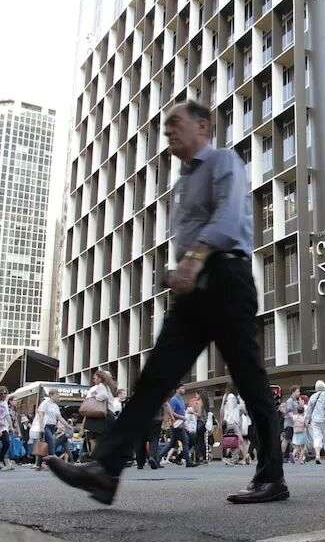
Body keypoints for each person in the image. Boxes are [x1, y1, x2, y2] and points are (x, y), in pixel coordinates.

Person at [45, 101, 287, 503]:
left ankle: (272, 477)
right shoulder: (182, 182)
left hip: (227, 278)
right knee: (154, 378)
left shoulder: (224, 161)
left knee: (251, 382)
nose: (168, 132)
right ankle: (106, 471)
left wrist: (192, 261)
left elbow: (227, 218)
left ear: (203, 127)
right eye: (165, 126)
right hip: (193, 289)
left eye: (176, 123)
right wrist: (179, 271)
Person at [35, 390, 73, 471]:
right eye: (57, 395)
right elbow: (41, 415)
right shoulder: (45, 403)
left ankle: (39, 464)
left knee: (46, 445)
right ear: (51, 395)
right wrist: (41, 427)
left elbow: (60, 418)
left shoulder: (55, 406)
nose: (58, 396)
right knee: (51, 442)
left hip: (52, 427)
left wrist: (68, 425)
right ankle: (54, 463)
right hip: (46, 426)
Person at [83, 369, 116, 454]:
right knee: (99, 438)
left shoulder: (100, 386)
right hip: (102, 414)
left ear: (100, 378)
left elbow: (103, 396)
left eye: (95, 378)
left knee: (93, 438)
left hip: (97, 415)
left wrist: (94, 396)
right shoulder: (107, 387)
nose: (94, 380)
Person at [305, 380, 325, 465]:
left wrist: (306, 420)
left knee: (317, 437)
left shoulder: (313, 396)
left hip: (314, 420)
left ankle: (318, 455)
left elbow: (308, 410)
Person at [135, 404, 164, 470]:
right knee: (154, 439)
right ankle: (152, 457)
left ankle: (140, 463)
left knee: (140, 440)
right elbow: (165, 404)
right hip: (156, 419)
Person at [280, 386, 301, 461]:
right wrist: (295, 419)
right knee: (286, 439)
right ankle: (282, 456)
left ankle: (294, 455)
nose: (299, 393)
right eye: (298, 391)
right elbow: (288, 412)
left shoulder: (296, 401)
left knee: (292, 440)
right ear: (293, 392)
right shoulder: (290, 401)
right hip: (290, 423)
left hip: (294, 423)